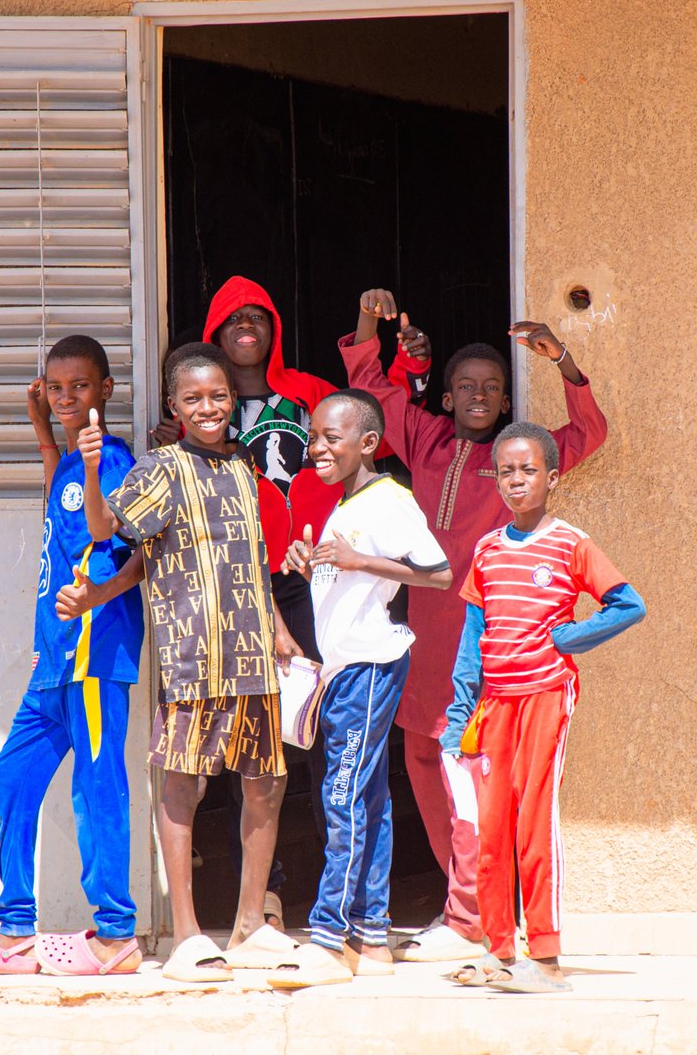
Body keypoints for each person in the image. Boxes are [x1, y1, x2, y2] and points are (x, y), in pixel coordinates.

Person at [338, 291, 608, 961]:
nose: (479, 396)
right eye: (466, 387)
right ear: (450, 399)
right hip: (423, 629)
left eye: (491, 387)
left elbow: (589, 434)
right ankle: (473, 899)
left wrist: (565, 363)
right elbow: (369, 388)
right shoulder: (426, 439)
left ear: (505, 402)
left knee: (466, 766)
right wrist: (370, 323)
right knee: (423, 759)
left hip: (485, 637)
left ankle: (466, 917)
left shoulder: (519, 457)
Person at [155, 276, 423, 927]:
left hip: (301, 582)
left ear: (275, 326)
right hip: (223, 590)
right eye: (234, 318)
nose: (248, 326)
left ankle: (344, 905)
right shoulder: (188, 415)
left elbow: (372, 438)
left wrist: (398, 357)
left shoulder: (305, 393)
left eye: (260, 316)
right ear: (214, 334)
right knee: (233, 745)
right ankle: (263, 900)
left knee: (315, 734)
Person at [79, 341, 301, 982]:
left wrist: (280, 627)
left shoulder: (242, 467)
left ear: (234, 401)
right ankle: (185, 936)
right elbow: (107, 533)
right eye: (194, 398)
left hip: (253, 653)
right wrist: (93, 470)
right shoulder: (160, 468)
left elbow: (251, 558)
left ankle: (250, 924)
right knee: (183, 786)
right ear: (174, 406)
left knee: (266, 784)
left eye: (219, 396)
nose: (209, 407)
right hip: (192, 656)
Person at [0, 335, 147, 978]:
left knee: (96, 787)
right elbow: (63, 489)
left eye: (78, 387)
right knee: (13, 775)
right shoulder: (68, 462)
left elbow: (117, 536)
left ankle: (115, 935)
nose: (65, 398)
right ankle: (15, 932)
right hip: (53, 662)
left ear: (106, 391)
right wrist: (42, 428)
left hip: (93, 654)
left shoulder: (112, 459)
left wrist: (80, 456)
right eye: (55, 388)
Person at [442, 422, 646, 993]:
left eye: (528, 470)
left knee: (534, 823)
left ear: (552, 478)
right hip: (496, 702)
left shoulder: (570, 543)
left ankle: (548, 960)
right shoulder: (486, 549)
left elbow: (629, 605)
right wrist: (461, 713)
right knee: (492, 827)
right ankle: (499, 951)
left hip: (547, 694)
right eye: (506, 471)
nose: (516, 481)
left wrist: (568, 639)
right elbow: (471, 638)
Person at [268, 391, 452, 988]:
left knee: (341, 794)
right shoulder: (345, 503)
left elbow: (442, 573)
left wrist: (358, 561)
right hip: (346, 668)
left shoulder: (390, 500)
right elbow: (342, 576)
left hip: (372, 665)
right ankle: (372, 936)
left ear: (368, 444)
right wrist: (311, 561)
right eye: (314, 436)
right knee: (366, 796)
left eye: (331, 438)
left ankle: (327, 934)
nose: (317, 448)